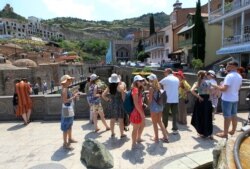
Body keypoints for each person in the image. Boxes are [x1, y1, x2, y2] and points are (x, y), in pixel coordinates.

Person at [212, 61, 242, 138]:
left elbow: (224, 89)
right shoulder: (239, 76)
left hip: (227, 99)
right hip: (235, 98)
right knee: (234, 115)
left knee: (227, 116)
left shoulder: (229, 76)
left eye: (228, 65)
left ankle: (225, 134)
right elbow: (238, 88)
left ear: (233, 66)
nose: (227, 66)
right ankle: (233, 131)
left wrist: (215, 86)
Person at [102, 73, 126, 138]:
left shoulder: (109, 87)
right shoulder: (120, 87)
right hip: (120, 104)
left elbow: (103, 95)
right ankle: (122, 134)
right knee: (121, 120)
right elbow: (123, 98)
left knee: (112, 119)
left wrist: (108, 100)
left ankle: (112, 133)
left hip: (112, 104)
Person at [190, 70, 213, 139]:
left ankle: (202, 132)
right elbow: (211, 91)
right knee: (208, 116)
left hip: (201, 100)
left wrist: (199, 97)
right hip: (208, 100)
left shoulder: (197, 82)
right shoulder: (209, 82)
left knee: (200, 116)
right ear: (205, 75)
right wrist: (210, 98)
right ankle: (209, 133)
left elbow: (192, 90)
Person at [147, 73, 169, 143]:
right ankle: (165, 137)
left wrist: (148, 97)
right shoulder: (159, 86)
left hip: (154, 107)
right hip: (160, 106)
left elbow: (150, 100)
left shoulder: (151, 88)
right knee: (159, 121)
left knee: (154, 123)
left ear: (151, 80)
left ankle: (156, 138)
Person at [60, 75, 78, 150]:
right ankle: (65, 143)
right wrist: (74, 97)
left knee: (69, 125)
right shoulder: (64, 89)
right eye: (69, 80)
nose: (70, 81)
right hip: (66, 109)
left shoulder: (66, 89)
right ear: (65, 81)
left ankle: (70, 139)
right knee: (66, 127)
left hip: (68, 108)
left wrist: (74, 95)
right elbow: (65, 100)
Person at [160, 68, 180, 134]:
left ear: (168, 72)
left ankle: (164, 127)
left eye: (165, 72)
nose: (164, 73)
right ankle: (175, 129)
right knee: (174, 114)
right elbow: (178, 87)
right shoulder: (177, 79)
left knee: (165, 114)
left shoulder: (166, 79)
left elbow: (158, 84)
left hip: (167, 99)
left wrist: (161, 90)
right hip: (175, 99)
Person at [130, 75, 145, 149]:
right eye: (140, 81)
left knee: (142, 125)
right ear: (136, 82)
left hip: (140, 109)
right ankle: (133, 143)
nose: (142, 82)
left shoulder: (139, 89)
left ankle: (138, 138)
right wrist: (142, 114)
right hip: (136, 111)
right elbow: (135, 103)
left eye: (142, 80)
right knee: (135, 128)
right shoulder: (135, 89)